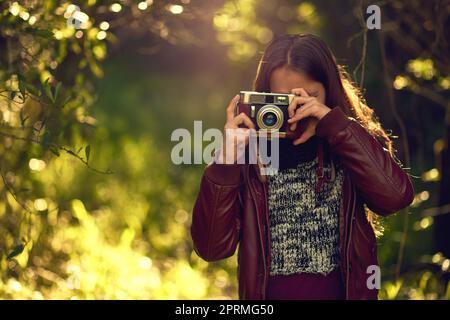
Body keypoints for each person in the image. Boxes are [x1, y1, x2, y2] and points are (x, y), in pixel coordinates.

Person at [190, 33, 414, 300]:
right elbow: (211, 248)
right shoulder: (249, 153)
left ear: (329, 89)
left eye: (309, 97)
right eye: (283, 100)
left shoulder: (350, 140)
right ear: (265, 97)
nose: (297, 108)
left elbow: (396, 197)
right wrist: (227, 160)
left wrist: (334, 126)